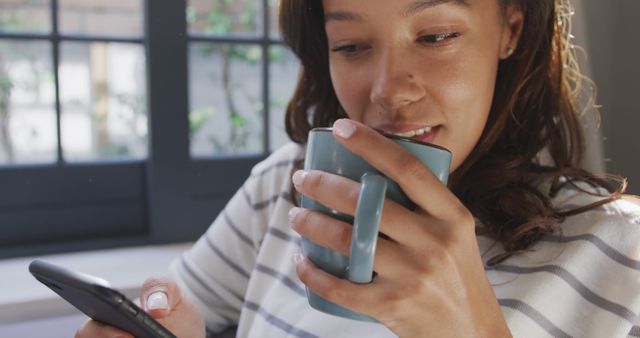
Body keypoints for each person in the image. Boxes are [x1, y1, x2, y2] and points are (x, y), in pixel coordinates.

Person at [76, 0, 640, 337]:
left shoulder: (618, 253)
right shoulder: (283, 188)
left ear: (511, 29)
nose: (388, 92)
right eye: (349, 46)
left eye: (436, 36)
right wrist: (153, 317)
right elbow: (172, 308)